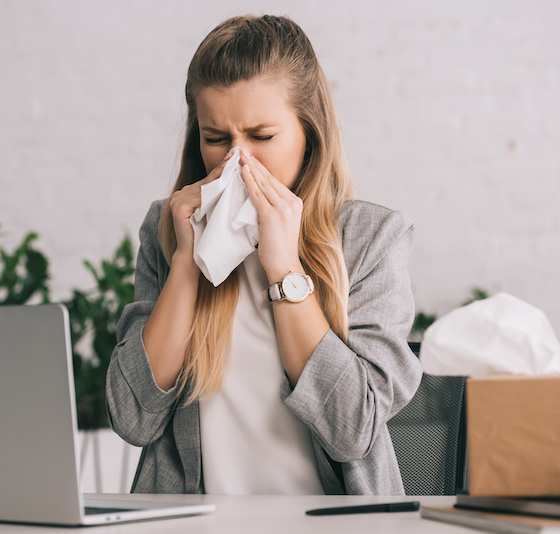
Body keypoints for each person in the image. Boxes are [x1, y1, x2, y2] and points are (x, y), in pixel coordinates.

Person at [106, 14, 422, 495]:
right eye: (216, 139)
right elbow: (133, 420)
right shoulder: (166, 229)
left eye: (261, 136)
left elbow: (352, 430)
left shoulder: (370, 237)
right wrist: (186, 265)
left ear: (309, 132)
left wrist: (284, 268)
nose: (238, 160)